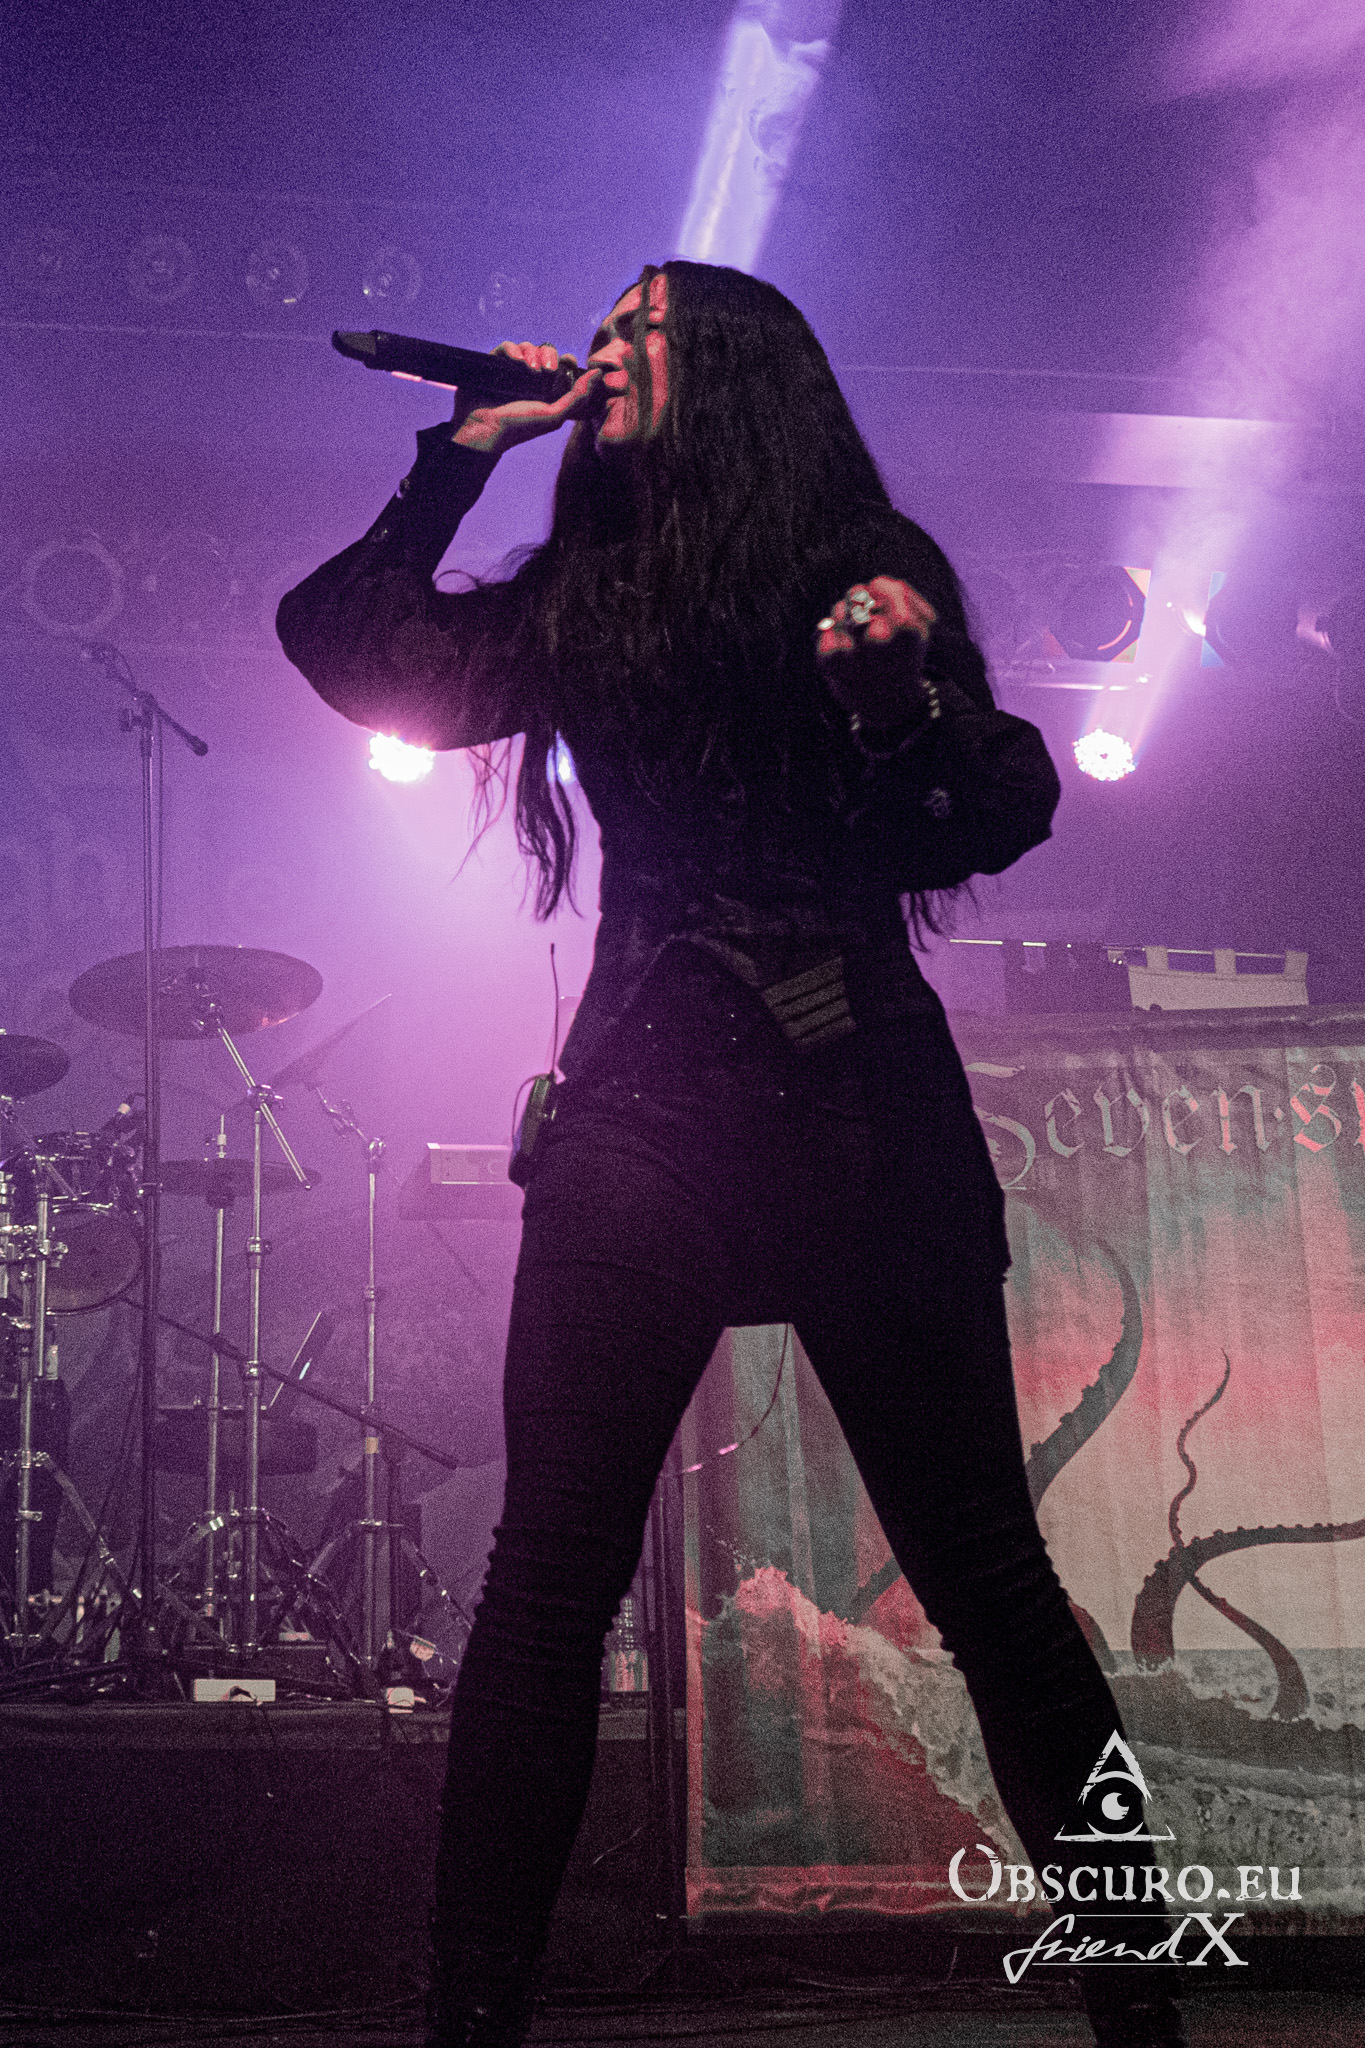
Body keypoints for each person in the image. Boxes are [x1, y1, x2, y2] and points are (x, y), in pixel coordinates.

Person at [278, 261, 1185, 2048]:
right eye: (604, 328)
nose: (608, 348)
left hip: (858, 1111)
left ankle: (1144, 2008)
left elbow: (990, 810)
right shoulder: (590, 584)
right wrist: (457, 458)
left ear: (737, 376)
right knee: (548, 1578)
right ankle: (472, 2020)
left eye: (647, 332)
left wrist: (897, 706)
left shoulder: (861, 567)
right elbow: (357, 650)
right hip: (645, 1104)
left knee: (989, 1583)